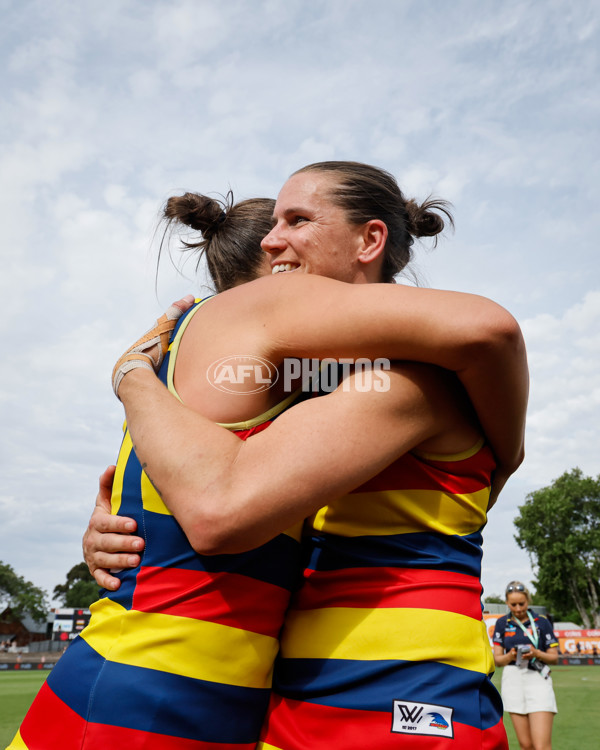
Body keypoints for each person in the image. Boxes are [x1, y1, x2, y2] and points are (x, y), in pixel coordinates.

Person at [82, 161, 528, 749]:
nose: (273, 241)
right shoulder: (318, 389)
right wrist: (123, 526)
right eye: (272, 224)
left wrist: (133, 374)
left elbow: (222, 507)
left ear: (370, 240)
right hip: (300, 708)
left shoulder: (410, 380)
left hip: (404, 706)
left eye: (297, 220)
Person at [493, 581, 559, 750]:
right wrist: (511, 655)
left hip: (538, 678)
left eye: (521, 604)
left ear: (528, 601)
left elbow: (554, 658)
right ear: (507, 603)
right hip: (512, 680)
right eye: (513, 604)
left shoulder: (541, 622)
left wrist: (537, 653)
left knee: (541, 746)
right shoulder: (502, 623)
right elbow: (497, 660)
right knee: (526, 745)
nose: (518, 608)